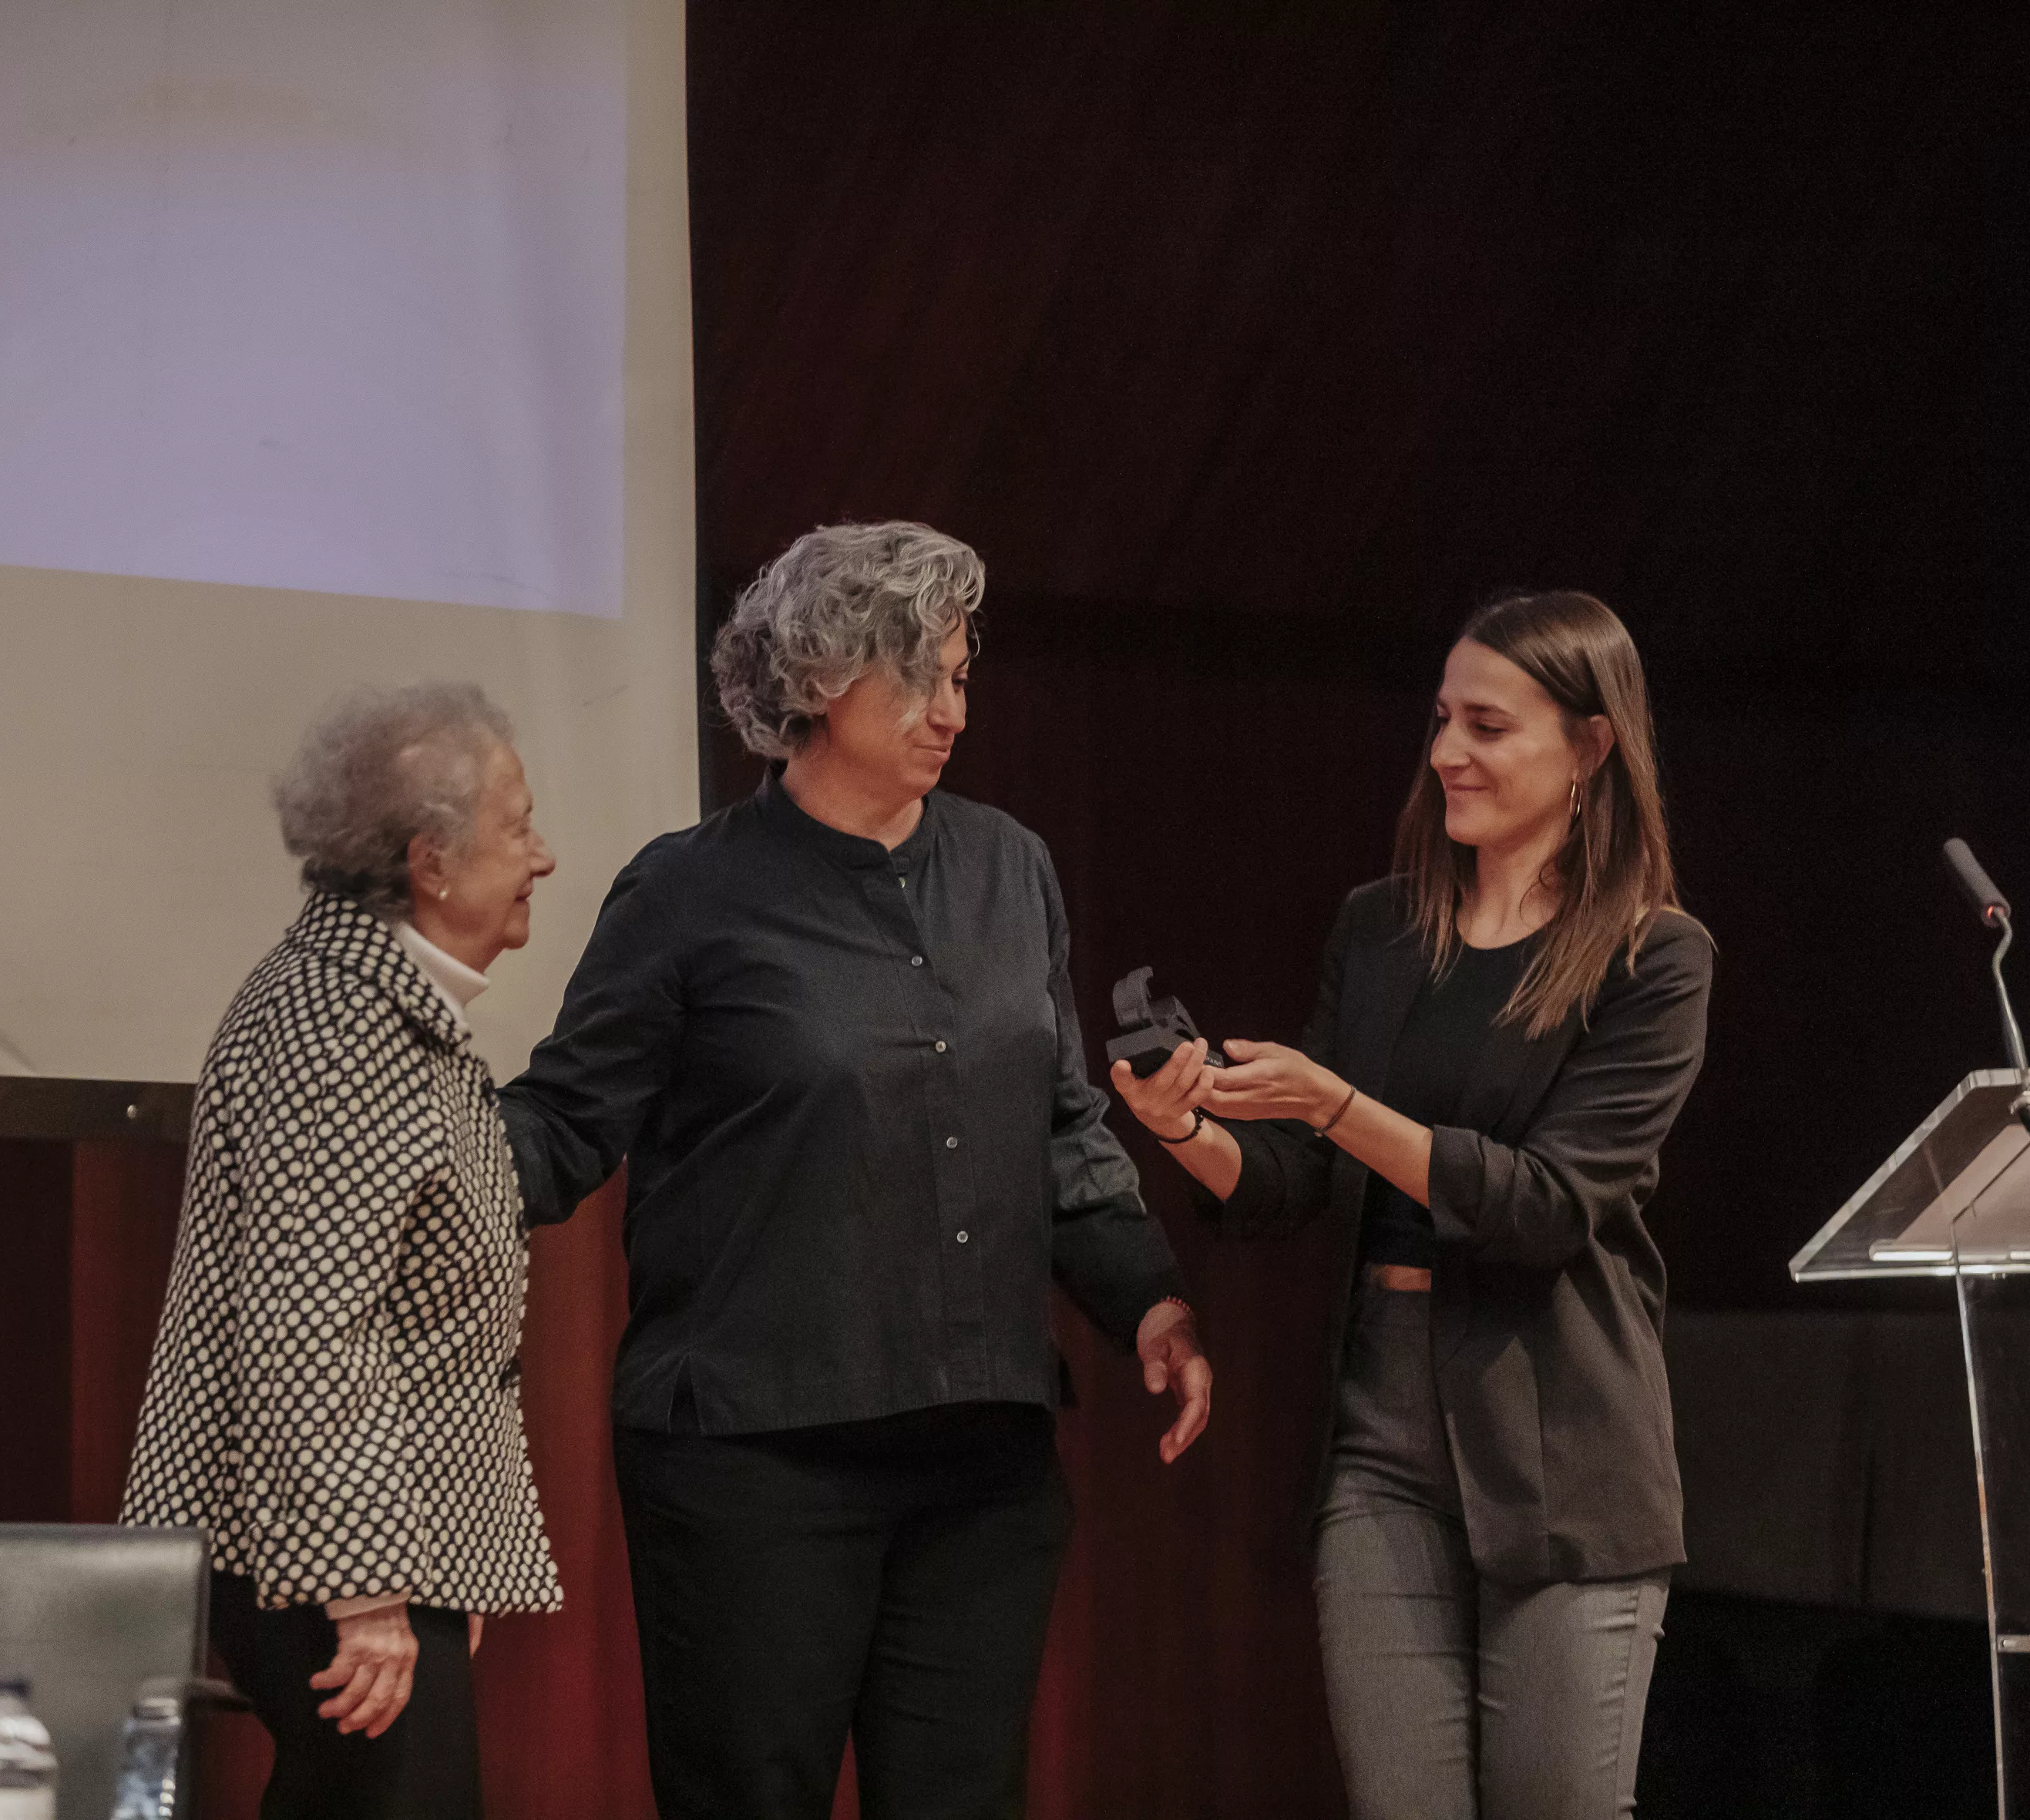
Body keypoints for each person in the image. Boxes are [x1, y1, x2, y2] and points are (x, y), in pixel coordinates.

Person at [500, 521, 1213, 1820]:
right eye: (919, 679)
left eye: (959, 674)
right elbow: (561, 1122)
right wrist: (405, 1151)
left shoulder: (1010, 866)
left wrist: (1148, 1300)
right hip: (752, 1461)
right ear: (822, 681)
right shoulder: (682, 893)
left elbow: (1057, 1120)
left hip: (980, 1465)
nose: (953, 710)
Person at [1114, 591, 1710, 1820]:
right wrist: (1187, 1128)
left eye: (1487, 725)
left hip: (1562, 1450)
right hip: (1377, 1440)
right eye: (1441, 718)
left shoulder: (1654, 957)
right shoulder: (1380, 928)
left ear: (1591, 747)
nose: (1446, 751)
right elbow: (1300, 1188)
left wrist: (1337, 1104)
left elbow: (1546, 1206)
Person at [122, 682, 564, 1820]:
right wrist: (369, 1592)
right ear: (431, 861)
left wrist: (432, 1561)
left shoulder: (369, 1005)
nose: (544, 855)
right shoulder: (341, 1024)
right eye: (518, 826)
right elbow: (311, 1326)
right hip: (319, 1554)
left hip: (345, 1540)